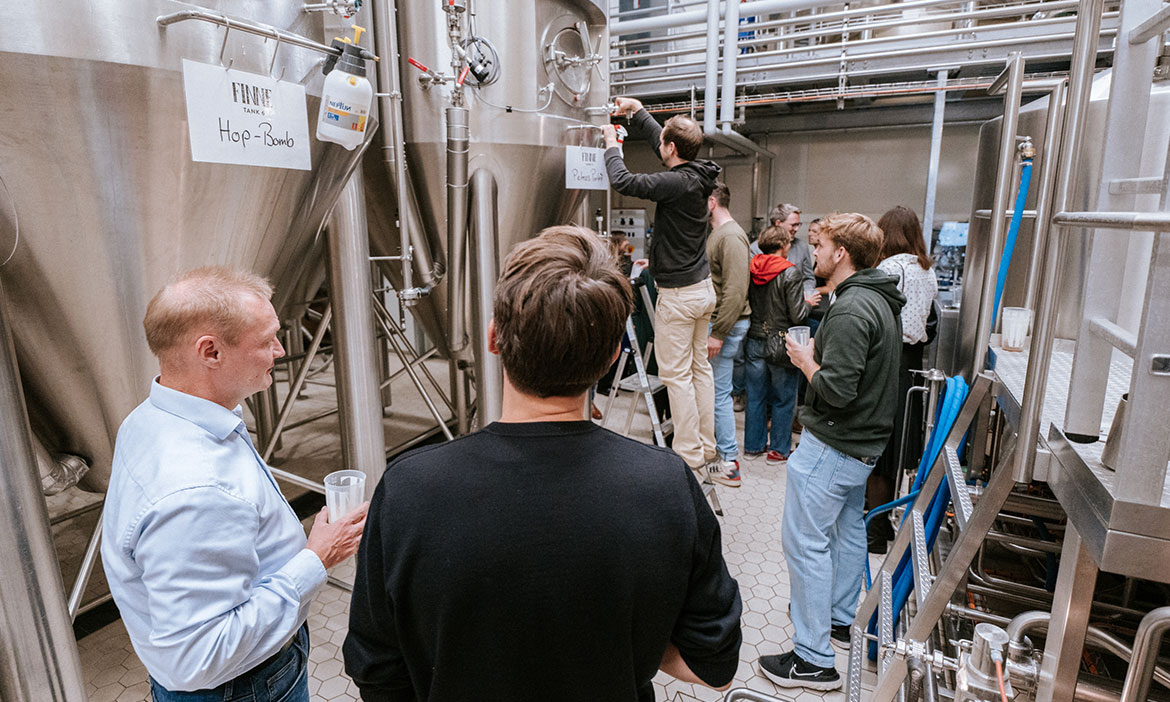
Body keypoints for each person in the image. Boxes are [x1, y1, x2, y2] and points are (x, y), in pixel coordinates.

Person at [344, 226, 743, 702]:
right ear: (612, 355)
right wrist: (629, 638)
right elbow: (715, 668)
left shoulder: (409, 489)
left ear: (493, 338)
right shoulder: (665, 485)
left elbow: (376, 671)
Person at [102, 267, 369, 700]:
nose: (280, 351)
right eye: (266, 340)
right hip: (242, 687)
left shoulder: (152, 416)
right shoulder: (195, 489)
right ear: (210, 351)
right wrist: (317, 558)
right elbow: (198, 656)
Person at [758, 213, 904, 691]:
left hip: (834, 445)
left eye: (819, 246)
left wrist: (805, 360)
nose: (814, 252)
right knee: (846, 531)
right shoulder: (878, 299)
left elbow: (837, 390)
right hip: (862, 447)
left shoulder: (851, 309)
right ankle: (839, 620)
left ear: (841, 253)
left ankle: (813, 658)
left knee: (806, 544)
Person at [602, 97, 725, 481]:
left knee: (676, 376)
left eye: (664, 144)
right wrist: (638, 112)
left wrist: (611, 145)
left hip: (680, 297)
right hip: (702, 290)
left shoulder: (675, 182)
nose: (661, 147)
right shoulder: (698, 173)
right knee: (699, 370)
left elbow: (624, 181)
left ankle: (688, 454)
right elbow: (665, 142)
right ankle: (706, 445)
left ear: (672, 149)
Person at [867, 205, 939, 554]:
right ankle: (884, 522)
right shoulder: (927, 270)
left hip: (889, 361)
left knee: (878, 449)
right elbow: (930, 323)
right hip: (913, 365)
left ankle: (874, 531)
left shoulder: (887, 269)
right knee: (897, 452)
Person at [743, 225, 809, 465]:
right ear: (783, 245)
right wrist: (808, 303)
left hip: (754, 338)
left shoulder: (751, 268)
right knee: (783, 398)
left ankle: (753, 447)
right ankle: (778, 451)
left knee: (755, 396)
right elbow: (798, 316)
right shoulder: (789, 272)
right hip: (781, 343)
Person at [704, 182, 750, 486]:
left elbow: (735, 290)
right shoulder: (719, 234)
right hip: (720, 323)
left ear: (711, 202)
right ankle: (721, 457)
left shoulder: (731, 236)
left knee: (719, 395)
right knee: (715, 392)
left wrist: (718, 333)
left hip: (725, 325)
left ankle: (729, 464)